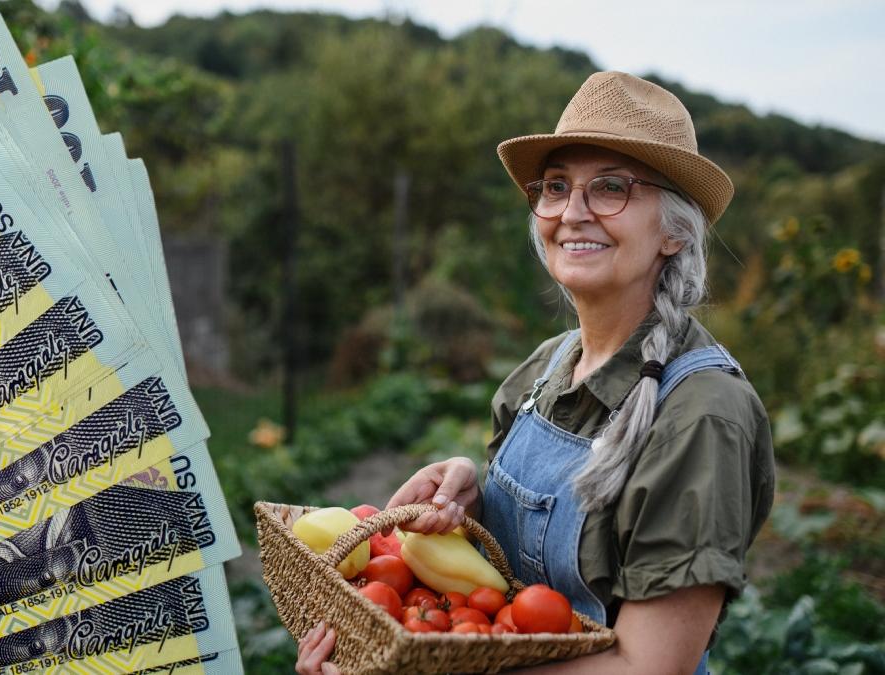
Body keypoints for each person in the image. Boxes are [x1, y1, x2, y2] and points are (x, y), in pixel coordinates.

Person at [295, 71, 775, 674]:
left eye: (610, 188)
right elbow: (510, 592)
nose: (573, 212)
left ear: (675, 232)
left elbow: (647, 668)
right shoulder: (544, 369)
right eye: (555, 187)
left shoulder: (701, 414)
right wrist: (474, 501)